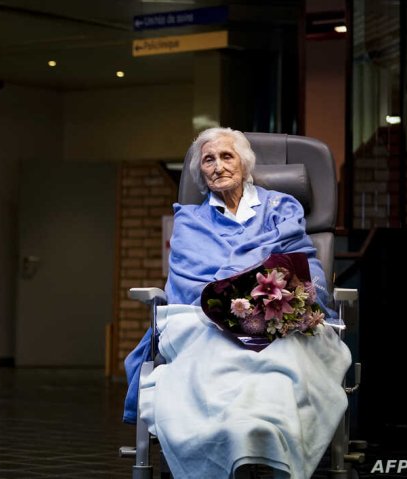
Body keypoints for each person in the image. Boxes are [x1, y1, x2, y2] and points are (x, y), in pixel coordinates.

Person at [123, 127, 352, 479]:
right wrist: (243, 288)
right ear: (200, 172)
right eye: (208, 160)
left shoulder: (281, 207)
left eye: (226, 156)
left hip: (274, 318)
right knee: (210, 358)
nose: (217, 166)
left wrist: (273, 295)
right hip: (206, 319)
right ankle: (231, 441)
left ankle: (266, 438)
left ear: (244, 165)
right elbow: (188, 283)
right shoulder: (190, 219)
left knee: (285, 357)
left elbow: (303, 265)